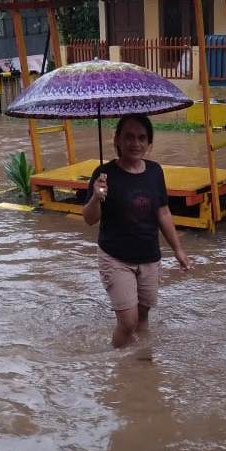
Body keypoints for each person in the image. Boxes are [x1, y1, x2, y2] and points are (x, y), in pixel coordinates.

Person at [83, 114, 191, 348]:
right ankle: (118, 367)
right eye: (129, 137)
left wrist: (178, 250)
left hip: (149, 257)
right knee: (128, 322)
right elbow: (89, 220)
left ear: (149, 143)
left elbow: (163, 212)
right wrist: (96, 197)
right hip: (116, 257)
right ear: (117, 141)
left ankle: (142, 364)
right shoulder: (104, 175)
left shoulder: (155, 172)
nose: (135, 144)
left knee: (143, 317)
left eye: (142, 138)